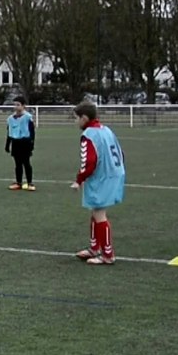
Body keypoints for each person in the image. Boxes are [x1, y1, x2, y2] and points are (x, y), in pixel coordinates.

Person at [71, 100, 125, 266]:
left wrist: (79, 180)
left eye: (76, 118)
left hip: (103, 178)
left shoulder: (89, 134)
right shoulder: (106, 129)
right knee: (95, 211)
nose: (75, 122)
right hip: (114, 174)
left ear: (84, 118)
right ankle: (94, 248)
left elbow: (89, 162)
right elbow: (120, 152)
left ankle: (108, 254)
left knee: (99, 214)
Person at [4, 96, 36, 191]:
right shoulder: (10, 119)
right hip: (16, 143)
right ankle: (18, 183)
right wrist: (7, 145)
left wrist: (31, 144)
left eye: (18, 105)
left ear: (23, 106)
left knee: (26, 163)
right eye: (15, 105)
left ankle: (30, 183)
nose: (16, 107)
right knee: (17, 164)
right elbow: (9, 132)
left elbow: (32, 132)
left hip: (25, 142)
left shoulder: (28, 117)